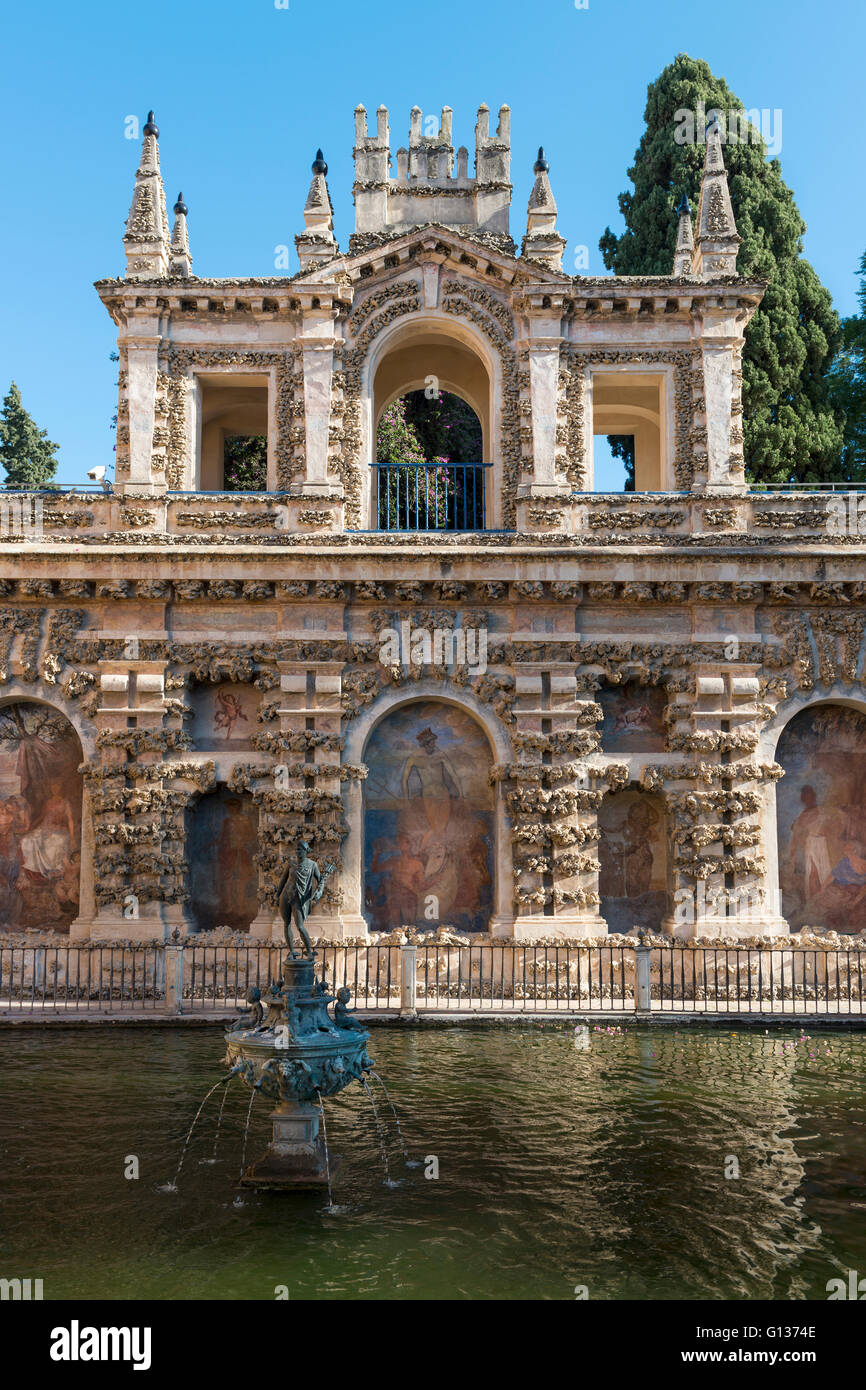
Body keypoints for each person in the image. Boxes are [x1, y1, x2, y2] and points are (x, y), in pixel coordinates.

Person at [276, 841, 331, 957]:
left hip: (299, 898)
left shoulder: (312, 865)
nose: (298, 852)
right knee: (286, 923)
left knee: (300, 926)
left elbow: (321, 881)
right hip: (286, 895)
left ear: (306, 851)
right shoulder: (291, 864)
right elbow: (283, 880)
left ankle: (309, 951)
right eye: (297, 849)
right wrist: (277, 895)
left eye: (300, 849)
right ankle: (291, 951)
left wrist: (320, 891)